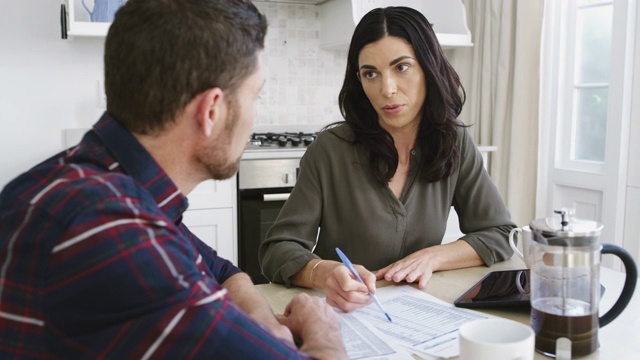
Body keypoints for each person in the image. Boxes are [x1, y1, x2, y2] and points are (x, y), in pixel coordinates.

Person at [0, 0, 345, 358]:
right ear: (211, 111)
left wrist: (266, 324)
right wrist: (323, 329)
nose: (254, 117)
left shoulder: (95, 184)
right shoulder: (114, 232)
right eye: (254, 96)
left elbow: (220, 270)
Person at [259, 6, 517, 313]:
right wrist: (323, 273)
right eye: (371, 73)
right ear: (359, 80)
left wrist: (433, 257)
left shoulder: (455, 142)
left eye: (402, 67)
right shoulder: (330, 149)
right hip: (342, 316)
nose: (387, 89)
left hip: (420, 313)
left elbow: (500, 234)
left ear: (428, 68)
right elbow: (277, 250)